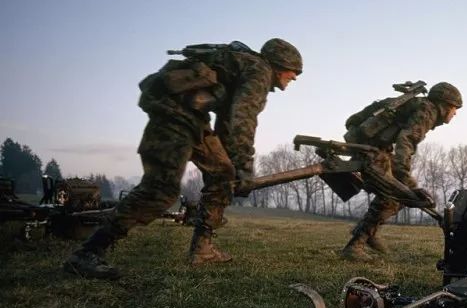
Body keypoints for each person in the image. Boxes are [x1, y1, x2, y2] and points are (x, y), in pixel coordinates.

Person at [63, 38, 302, 279]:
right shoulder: (259, 70)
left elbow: (228, 121)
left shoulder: (246, 66)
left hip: (193, 119)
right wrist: (244, 165)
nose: (294, 78)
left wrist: (235, 166)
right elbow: (243, 118)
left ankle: (203, 249)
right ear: (281, 64)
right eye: (294, 72)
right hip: (174, 116)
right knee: (160, 191)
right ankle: (88, 252)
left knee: (223, 173)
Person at [340, 82, 462, 260]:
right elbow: (407, 140)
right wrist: (404, 177)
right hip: (371, 149)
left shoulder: (419, 105)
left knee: (398, 194)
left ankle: (368, 233)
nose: (455, 113)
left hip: (371, 146)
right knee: (397, 194)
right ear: (444, 105)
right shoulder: (428, 110)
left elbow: (356, 120)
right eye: (454, 108)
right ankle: (356, 244)